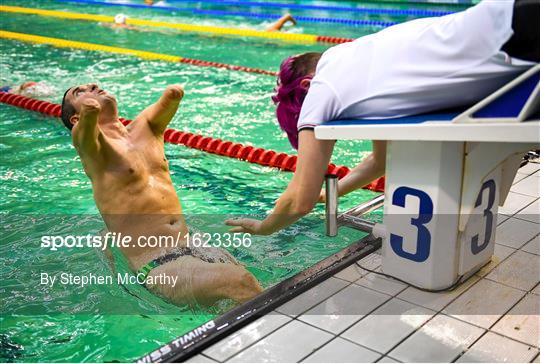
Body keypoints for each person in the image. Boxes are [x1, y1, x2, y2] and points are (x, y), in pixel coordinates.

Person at [225, 0, 539, 235]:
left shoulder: (320, 89)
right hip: (508, 20)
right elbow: (379, 161)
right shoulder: (355, 57)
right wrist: (329, 194)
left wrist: (263, 227)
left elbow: (298, 201)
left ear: (305, 85)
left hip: (516, 35)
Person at [61, 83, 262, 305]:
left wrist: (174, 95)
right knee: (240, 282)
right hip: (159, 265)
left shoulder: (145, 129)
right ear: (75, 119)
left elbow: (169, 100)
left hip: (195, 247)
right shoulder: (94, 150)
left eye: (93, 85)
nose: (92, 86)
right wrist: (89, 112)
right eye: (79, 92)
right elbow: (82, 136)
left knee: (256, 290)